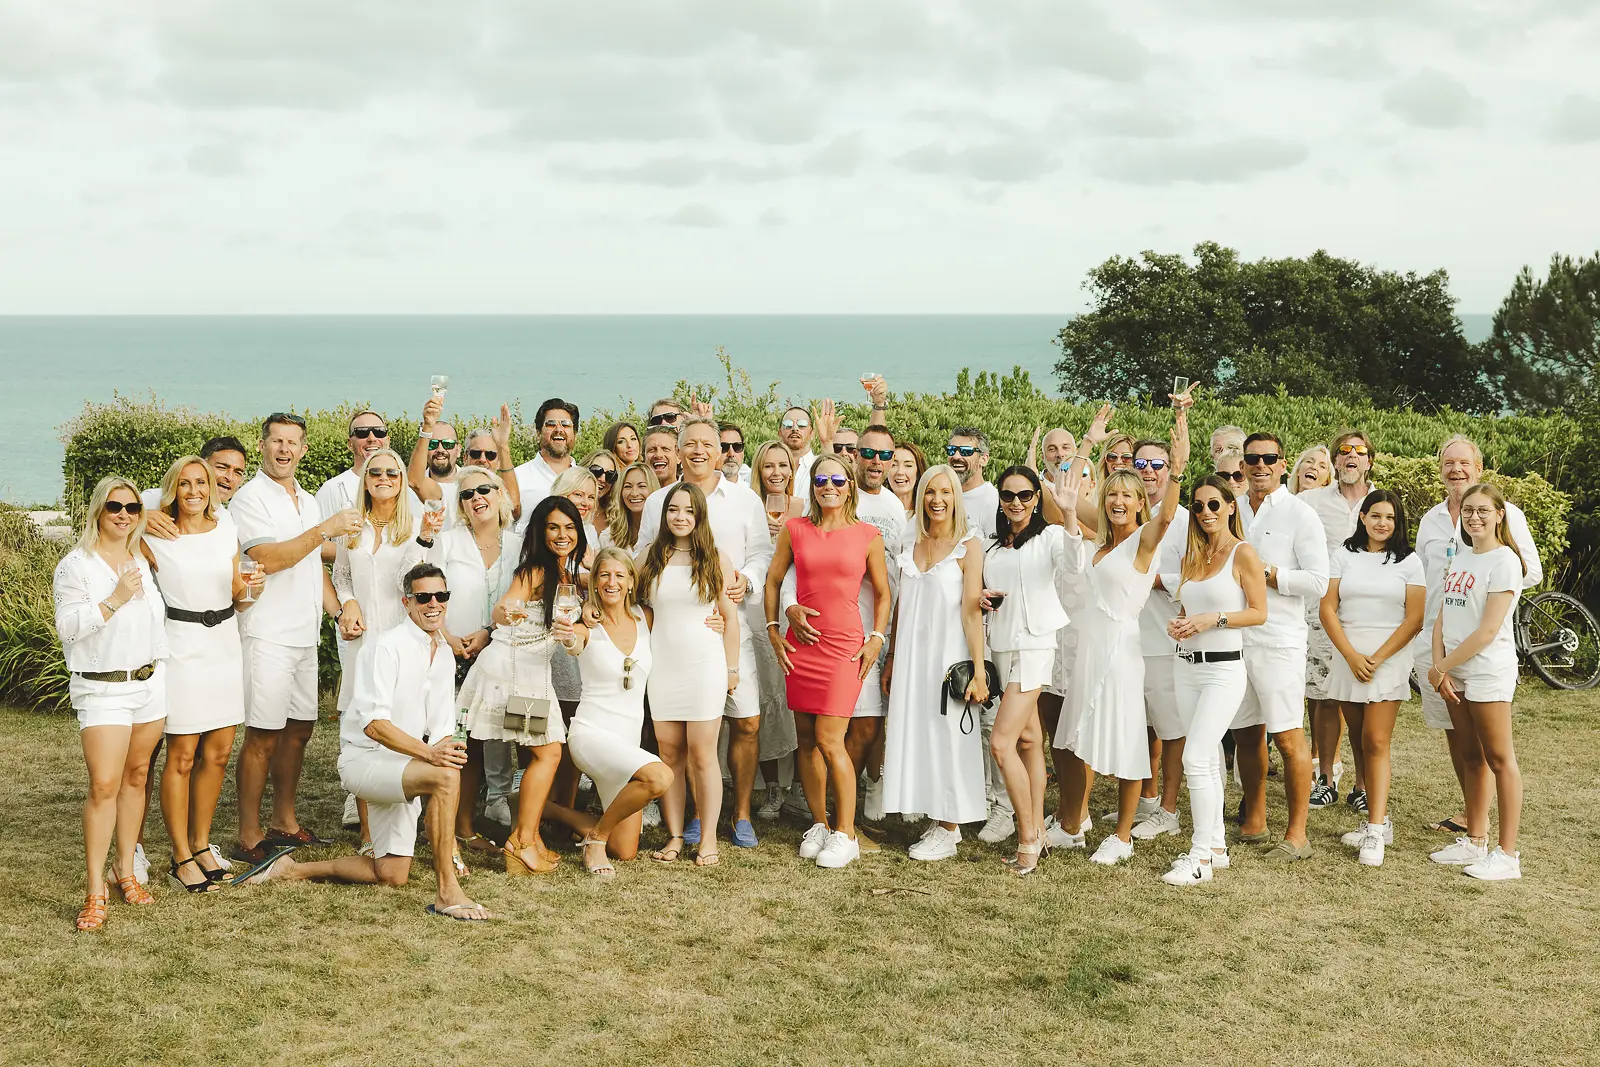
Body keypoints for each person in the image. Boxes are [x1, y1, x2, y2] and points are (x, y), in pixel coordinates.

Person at [249, 564, 489, 921]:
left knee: (391, 874)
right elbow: (374, 726)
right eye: (424, 597)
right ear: (407, 602)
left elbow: (440, 728)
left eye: (441, 596)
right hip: (365, 763)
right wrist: (431, 754)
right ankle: (447, 891)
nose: (434, 604)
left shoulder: (440, 653)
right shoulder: (384, 647)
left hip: (404, 764)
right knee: (444, 777)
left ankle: (292, 870)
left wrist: (448, 748)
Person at [1054, 400, 1189, 867]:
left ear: (1139, 503)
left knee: (1129, 741)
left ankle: (1123, 835)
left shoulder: (1140, 544)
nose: (1118, 502)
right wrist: (1071, 510)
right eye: (1112, 494)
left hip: (1120, 650)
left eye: (1128, 496)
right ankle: (1073, 825)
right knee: (1073, 740)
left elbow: (1167, 516)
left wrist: (1178, 467)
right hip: (1086, 648)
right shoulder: (1096, 543)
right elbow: (1072, 572)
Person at [635, 417, 772, 849]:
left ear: (721, 451)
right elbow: (636, 579)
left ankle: (741, 814)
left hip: (722, 638)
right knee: (674, 746)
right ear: (677, 451)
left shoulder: (744, 502)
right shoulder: (658, 501)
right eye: (688, 443)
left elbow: (762, 554)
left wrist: (742, 582)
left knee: (744, 722)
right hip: (667, 656)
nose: (697, 451)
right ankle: (687, 825)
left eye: (706, 444)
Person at [230, 414, 359, 865]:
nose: (284, 449)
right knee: (263, 734)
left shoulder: (305, 498)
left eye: (293, 443)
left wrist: (340, 610)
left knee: (299, 731)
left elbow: (312, 564)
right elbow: (269, 557)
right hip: (266, 633)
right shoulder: (249, 499)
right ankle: (248, 834)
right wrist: (324, 531)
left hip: (304, 634)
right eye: (276, 441)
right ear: (262, 445)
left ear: (303, 449)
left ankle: (284, 821)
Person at [55, 477, 171, 929]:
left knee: (137, 776)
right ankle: (95, 888)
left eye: (132, 507)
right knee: (105, 784)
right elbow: (68, 627)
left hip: (148, 683)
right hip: (103, 687)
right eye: (114, 507)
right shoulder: (76, 566)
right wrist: (116, 599)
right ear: (98, 512)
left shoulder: (143, 554)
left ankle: (126, 870)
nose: (124, 514)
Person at [765, 455, 891, 870]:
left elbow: (884, 594)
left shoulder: (867, 534)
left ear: (850, 485)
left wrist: (876, 639)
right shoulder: (794, 529)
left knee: (829, 738)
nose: (829, 486)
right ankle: (818, 824)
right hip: (802, 645)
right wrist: (773, 627)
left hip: (843, 646)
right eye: (821, 479)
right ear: (814, 486)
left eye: (838, 479)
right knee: (805, 738)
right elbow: (774, 579)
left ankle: (846, 833)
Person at [142, 457, 263, 891]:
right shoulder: (154, 532)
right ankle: (179, 855)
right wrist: (147, 511)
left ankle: (200, 842)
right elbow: (109, 509)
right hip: (181, 645)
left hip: (224, 642)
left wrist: (252, 591)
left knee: (217, 753)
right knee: (182, 755)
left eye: (201, 482)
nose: (193, 491)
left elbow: (238, 592)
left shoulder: (226, 526)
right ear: (171, 487)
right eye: (184, 483)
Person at [1413, 435, 1542, 836]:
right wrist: (1436, 655)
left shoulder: (1506, 522)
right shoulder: (1433, 520)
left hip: (1479, 648)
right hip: (1438, 643)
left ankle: (1489, 833)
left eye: (1464, 463)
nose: (1456, 470)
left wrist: (1487, 599)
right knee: (1459, 738)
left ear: (1479, 467)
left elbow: (1527, 571)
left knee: (1494, 749)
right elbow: (1420, 577)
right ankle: (1474, 821)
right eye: (1448, 463)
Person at [460, 497, 585, 875]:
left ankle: (527, 835)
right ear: (539, 532)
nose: (562, 535)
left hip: (532, 671)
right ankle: (523, 841)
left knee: (538, 755)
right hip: (513, 673)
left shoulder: (567, 570)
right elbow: (504, 608)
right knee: (547, 754)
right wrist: (505, 612)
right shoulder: (536, 570)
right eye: (553, 527)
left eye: (569, 527)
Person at [1163, 475, 1267, 885]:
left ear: (1229, 507)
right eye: (1199, 505)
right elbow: (1194, 609)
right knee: (1205, 761)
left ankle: (1200, 856)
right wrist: (1183, 625)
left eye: (1213, 504)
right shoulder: (1194, 554)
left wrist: (1215, 619)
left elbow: (1259, 612)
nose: (1205, 512)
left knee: (1195, 757)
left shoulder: (1243, 553)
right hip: (1186, 666)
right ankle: (1218, 846)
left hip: (1224, 669)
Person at [546, 548, 675, 877]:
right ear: (594, 582)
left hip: (627, 745)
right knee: (660, 776)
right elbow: (572, 643)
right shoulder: (586, 626)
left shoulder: (645, 617)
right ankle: (596, 839)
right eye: (604, 575)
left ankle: (546, 809)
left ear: (632, 581)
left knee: (626, 850)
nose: (612, 582)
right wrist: (567, 636)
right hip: (591, 735)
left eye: (620, 575)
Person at [880, 464, 987, 860]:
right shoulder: (910, 540)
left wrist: (978, 669)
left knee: (948, 735)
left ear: (956, 497)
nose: (937, 499)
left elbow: (972, 612)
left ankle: (951, 824)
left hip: (949, 654)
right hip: (911, 656)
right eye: (930, 492)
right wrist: (891, 657)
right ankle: (935, 814)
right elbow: (900, 604)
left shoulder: (968, 545)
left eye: (945, 492)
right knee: (917, 731)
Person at [1232, 432, 1329, 862]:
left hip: (1278, 639)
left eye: (1269, 458)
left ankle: (1297, 835)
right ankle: (1254, 820)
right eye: (1252, 459)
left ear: (1282, 462)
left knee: (1289, 737)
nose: (1260, 466)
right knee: (1246, 732)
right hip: (1233, 636)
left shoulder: (1299, 514)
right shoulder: (1229, 507)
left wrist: (1267, 574)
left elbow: (1318, 581)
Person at [638, 482, 742, 867]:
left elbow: (729, 620)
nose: (680, 517)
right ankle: (676, 835)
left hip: (704, 666)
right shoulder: (650, 557)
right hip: (662, 666)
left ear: (699, 516)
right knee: (670, 755)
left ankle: (709, 839)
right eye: (673, 510)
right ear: (664, 515)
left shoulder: (715, 558)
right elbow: (629, 603)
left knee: (703, 754)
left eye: (688, 511)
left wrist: (732, 669)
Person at [1426, 483, 1527, 881]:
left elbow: (1487, 631)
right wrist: (1440, 665)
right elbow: (1441, 618)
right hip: (1455, 670)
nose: (1475, 517)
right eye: (1468, 510)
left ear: (1500, 514)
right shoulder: (1461, 557)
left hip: (1486, 670)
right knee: (1471, 757)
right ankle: (1475, 839)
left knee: (1500, 759)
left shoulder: (1504, 561)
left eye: (1484, 510)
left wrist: (1442, 666)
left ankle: (1507, 855)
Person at [1321, 490, 1425, 866]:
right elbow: (1328, 608)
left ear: (1398, 523)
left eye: (1391, 518)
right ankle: (1374, 820)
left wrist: (1377, 659)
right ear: (1362, 517)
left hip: (1388, 659)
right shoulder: (1342, 555)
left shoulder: (1409, 562)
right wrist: (1351, 656)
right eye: (1376, 515)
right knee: (1359, 738)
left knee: (1377, 740)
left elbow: (1414, 618)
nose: (1383, 523)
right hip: (1348, 658)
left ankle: (1376, 831)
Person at [982, 464, 1074, 875]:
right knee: (1028, 740)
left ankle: (1028, 836)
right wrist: (982, 596)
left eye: (1024, 495)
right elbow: (977, 587)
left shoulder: (1052, 537)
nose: (1016, 502)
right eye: (1008, 495)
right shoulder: (992, 547)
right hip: (1001, 646)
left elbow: (1073, 565)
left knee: (1001, 743)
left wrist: (1069, 513)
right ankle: (1038, 826)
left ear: (1037, 498)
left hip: (1035, 646)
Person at [426, 467, 522, 846]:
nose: (476, 497)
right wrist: (446, 637)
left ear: (500, 494)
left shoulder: (519, 544)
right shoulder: (447, 543)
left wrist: (488, 632)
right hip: (451, 654)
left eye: (484, 489)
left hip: (499, 653)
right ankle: (444, 827)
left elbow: (523, 600)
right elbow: (428, 592)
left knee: (488, 739)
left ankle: (469, 824)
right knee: (453, 741)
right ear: (461, 506)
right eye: (467, 494)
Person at [1300, 432, 1378, 814]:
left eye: (1358, 452)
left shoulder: (1381, 503)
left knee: (1363, 702)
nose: (1350, 457)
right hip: (1320, 614)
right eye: (1343, 451)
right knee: (1324, 697)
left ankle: (1363, 785)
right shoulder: (1309, 502)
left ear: (1369, 461)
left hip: (1368, 617)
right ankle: (1325, 779)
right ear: (1334, 461)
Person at [1128, 433, 1194, 842]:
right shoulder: (1122, 511)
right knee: (1138, 727)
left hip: (1165, 639)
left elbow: (1200, 573)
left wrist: (1154, 581)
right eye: (1141, 464)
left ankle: (1169, 808)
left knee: (1171, 729)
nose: (1149, 472)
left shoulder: (1186, 519)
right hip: (1126, 638)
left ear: (1170, 471)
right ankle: (1147, 800)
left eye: (1157, 465)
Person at [747, 439, 804, 817]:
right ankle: (771, 787)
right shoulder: (750, 506)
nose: (777, 473)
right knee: (765, 695)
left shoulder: (805, 507)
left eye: (783, 465)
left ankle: (799, 787)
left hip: (796, 605)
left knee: (797, 696)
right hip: (757, 608)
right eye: (769, 466)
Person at [410, 396, 521, 530]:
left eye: (490, 455)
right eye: (475, 454)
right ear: (464, 457)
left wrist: (503, 446)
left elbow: (513, 506)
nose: (482, 460)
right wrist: (427, 428)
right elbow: (415, 482)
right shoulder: (450, 489)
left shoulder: (496, 492)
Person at [141, 435, 251, 533]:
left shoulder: (225, 521)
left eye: (237, 472)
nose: (229, 477)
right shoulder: (153, 498)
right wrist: (140, 518)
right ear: (202, 465)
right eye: (222, 467)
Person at [512, 398, 579, 525]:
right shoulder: (517, 477)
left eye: (565, 425)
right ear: (538, 433)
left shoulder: (585, 480)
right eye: (551, 424)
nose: (559, 429)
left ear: (575, 433)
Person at [601, 461, 660, 551]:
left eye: (642, 486)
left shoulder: (664, 532)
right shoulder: (608, 537)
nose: (634, 493)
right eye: (628, 486)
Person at [778, 405, 817, 486]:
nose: (795, 428)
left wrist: (827, 442)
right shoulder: (767, 468)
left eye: (802, 424)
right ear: (779, 433)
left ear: (812, 433)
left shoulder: (819, 466)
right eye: (788, 424)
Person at [889, 442, 928, 514]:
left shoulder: (928, 514)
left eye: (908, 465)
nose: (900, 472)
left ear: (918, 471)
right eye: (894, 465)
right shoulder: (876, 509)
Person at [583, 448, 621, 514]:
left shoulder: (616, 514)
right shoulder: (570, 506)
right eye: (597, 471)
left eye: (610, 475)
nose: (603, 479)